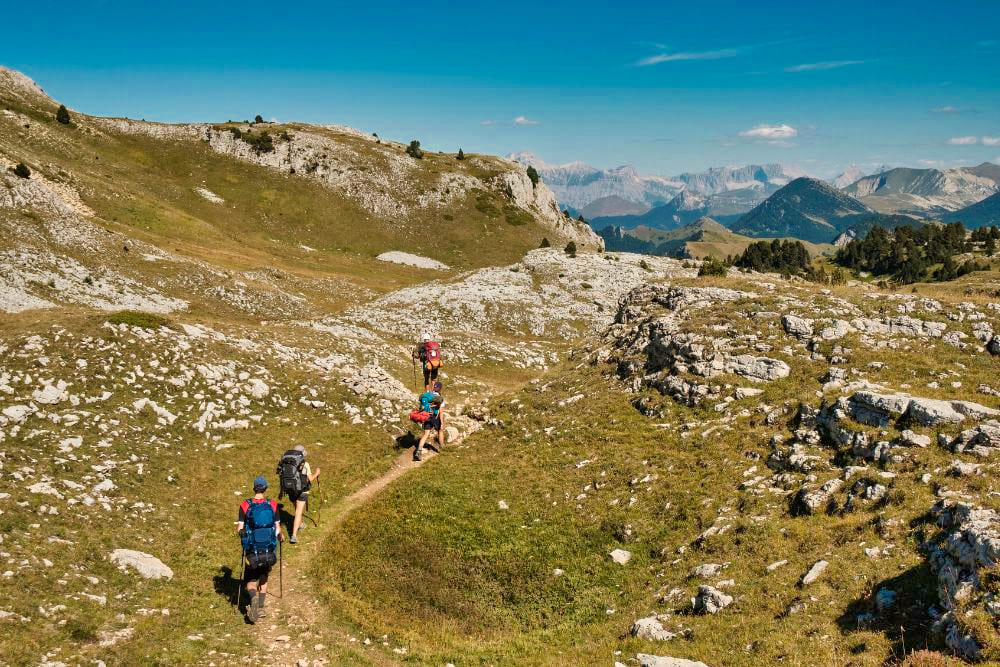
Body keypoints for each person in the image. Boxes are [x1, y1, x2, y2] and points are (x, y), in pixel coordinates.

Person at [237, 476, 282, 624]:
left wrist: (244, 540)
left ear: (254, 488)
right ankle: (261, 607)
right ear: (265, 488)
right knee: (264, 575)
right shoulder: (272, 504)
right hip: (268, 549)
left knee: (250, 580)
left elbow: (240, 529)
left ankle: (253, 598)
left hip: (252, 549)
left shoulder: (245, 505)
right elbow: (277, 529)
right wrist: (280, 537)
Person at [277, 444, 320, 544]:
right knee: (298, 512)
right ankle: (294, 535)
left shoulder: (286, 463)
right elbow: (310, 479)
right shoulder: (305, 463)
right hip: (302, 490)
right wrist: (317, 473)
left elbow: (281, 477)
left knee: (297, 509)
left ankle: (300, 524)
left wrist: (281, 492)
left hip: (290, 489)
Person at [414, 381, 446, 461]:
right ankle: (442, 448)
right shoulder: (439, 398)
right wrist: (441, 422)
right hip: (435, 417)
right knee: (440, 431)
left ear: (433, 387)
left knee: (426, 434)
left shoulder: (427, 395)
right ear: (440, 389)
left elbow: (421, 407)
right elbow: (441, 411)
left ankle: (418, 451)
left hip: (426, 416)